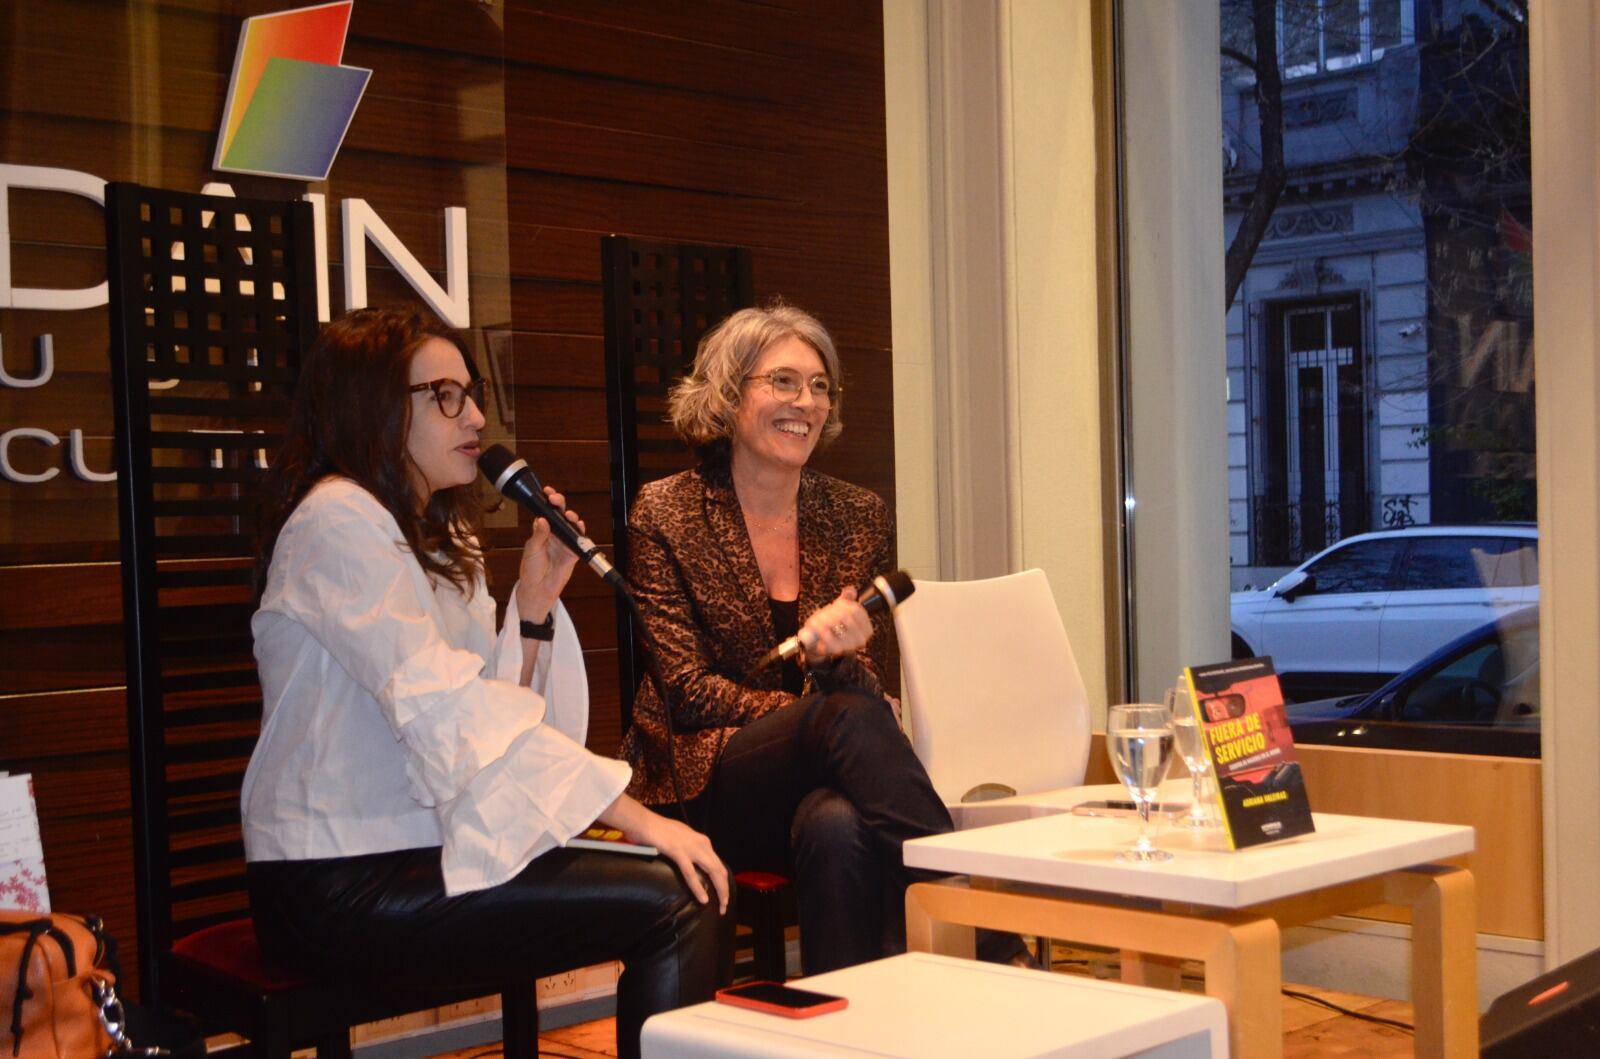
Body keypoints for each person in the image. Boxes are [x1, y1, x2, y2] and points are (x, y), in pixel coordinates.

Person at [241, 308, 728, 1059]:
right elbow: (451, 713)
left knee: (677, 881)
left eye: (471, 393)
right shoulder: (335, 520)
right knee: (675, 896)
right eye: (445, 396)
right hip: (337, 876)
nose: (474, 416)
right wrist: (638, 818)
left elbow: (481, 724)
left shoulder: (442, 534)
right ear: (371, 405)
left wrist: (532, 602)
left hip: (427, 846)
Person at [619, 302, 1024, 974]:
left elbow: (868, 694)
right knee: (841, 720)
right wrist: (817, 712)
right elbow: (684, 692)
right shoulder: (666, 511)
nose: (805, 402)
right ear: (729, 393)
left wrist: (837, 667)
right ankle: (992, 942)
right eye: (783, 381)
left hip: (826, 773)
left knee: (836, 823)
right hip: (703, 781)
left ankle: (854, 1019)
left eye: (818, 386)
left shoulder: (857, 515)